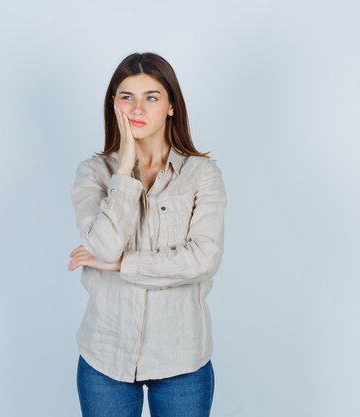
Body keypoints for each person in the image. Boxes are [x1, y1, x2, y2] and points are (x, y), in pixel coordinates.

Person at [68, 52, 226, 417]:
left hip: (181, 358)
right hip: (104, 357)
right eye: (127, 97)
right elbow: (104, 247)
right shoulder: (93, 173)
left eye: (151, 97)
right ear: (114, 105)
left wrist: (123, 264)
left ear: (171, 105)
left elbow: (203, 259)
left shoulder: (202, 175)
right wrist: (124, 168)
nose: (137, 108)